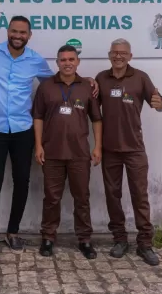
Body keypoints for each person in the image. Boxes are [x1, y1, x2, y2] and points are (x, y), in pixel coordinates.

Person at [0, 16, 98, 261]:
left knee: (22, 182)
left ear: (29, 35)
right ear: (8, 31)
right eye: (14, 31)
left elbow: (60, 81)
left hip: (23, 130)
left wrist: (86, 80)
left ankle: (12, 232)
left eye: (22, 32)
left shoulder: (36, 60)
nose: (18, 35)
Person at [95, 38, 162, 266]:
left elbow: (159, 102)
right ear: (109, 55)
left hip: (135, 148)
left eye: (123, 53)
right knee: (112, 196)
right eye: (114, 52)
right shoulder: (101, 78)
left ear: (130, 56)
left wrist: (160, 103)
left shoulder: (140, 77)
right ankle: (120, 239)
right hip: (109, 149)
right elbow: (90, 104)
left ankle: (145, 244)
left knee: (139, 196)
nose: (118, 56)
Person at [32, 44, 102, 259]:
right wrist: (38, 145)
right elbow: (38, 117)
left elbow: (97, 119)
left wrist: (97, 146)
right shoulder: (46, 87)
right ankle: (48, 238)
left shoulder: (87, 88)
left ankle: (85, 240)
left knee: (82, 198)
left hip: (79, 153)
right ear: (57, 62)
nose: (67, 63)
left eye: (71, 59)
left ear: (78, 62)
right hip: (51, 152)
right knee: (51, 198)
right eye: (63, 60)